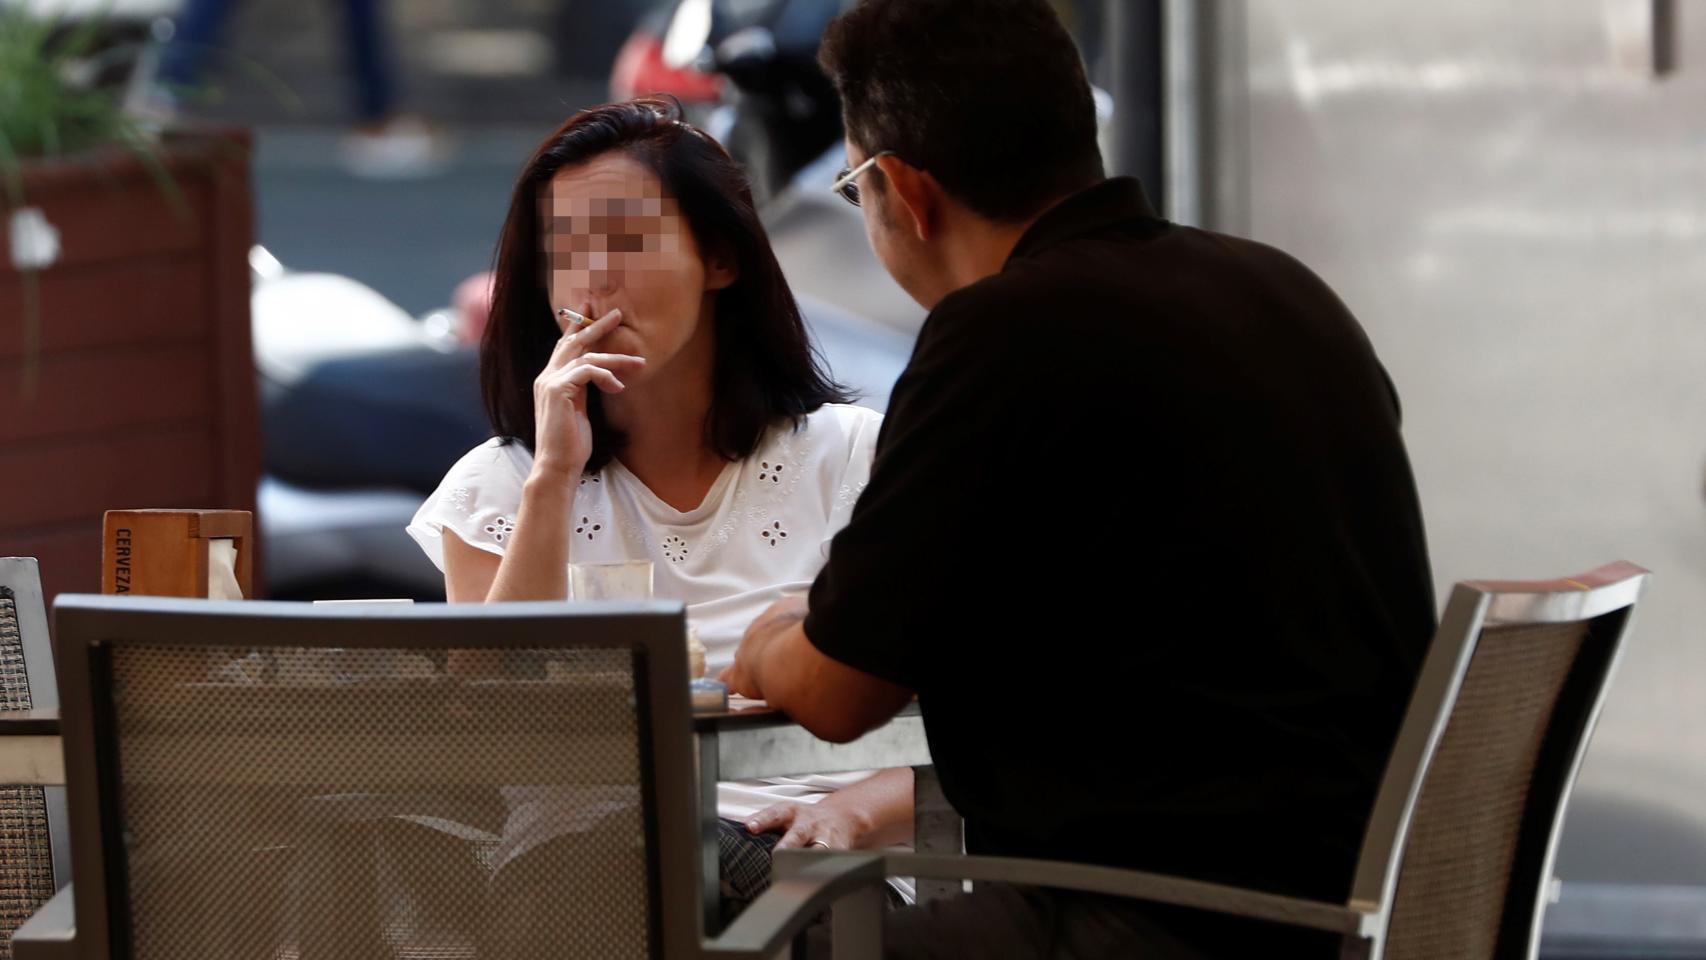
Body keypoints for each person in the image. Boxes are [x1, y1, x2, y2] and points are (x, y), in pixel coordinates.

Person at [721, 1, 1438, 956]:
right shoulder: (1287, 293)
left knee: (738, 925)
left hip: (1150, 918)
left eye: (856, 189)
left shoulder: (999, 335)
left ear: (904, 189)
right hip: (1347, 908)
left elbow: (838, 692)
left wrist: (765, 642)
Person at [405, 98, 913, 924]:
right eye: (564, 248)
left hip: (824, 859)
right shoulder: (502, 486)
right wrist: (554, 477)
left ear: (720, 259)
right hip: (583, 866)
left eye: (626, 241)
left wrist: (857, 811)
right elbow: (485, 714)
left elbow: (972, 710)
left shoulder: (854, 456)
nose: (592, 278)